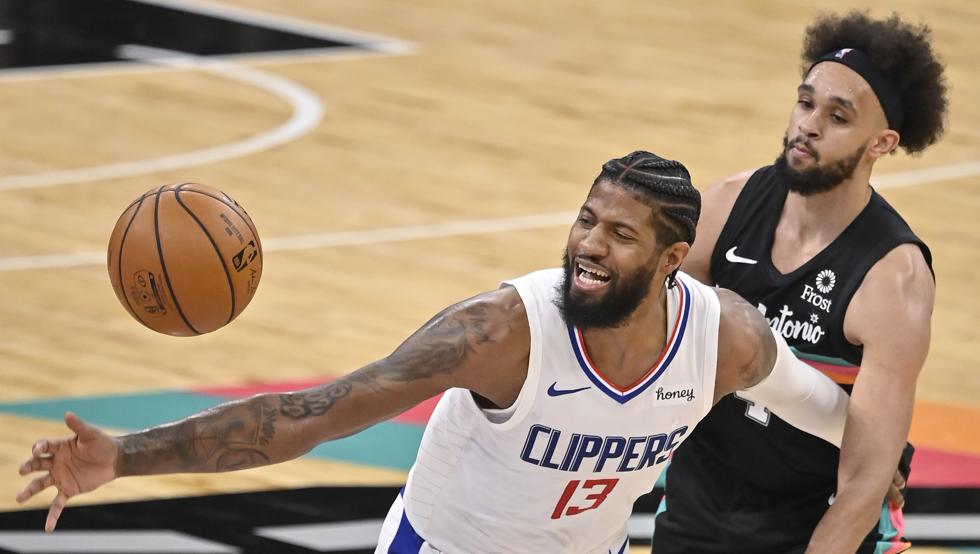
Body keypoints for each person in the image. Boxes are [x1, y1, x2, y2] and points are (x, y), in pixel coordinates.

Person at [18, 151, 850, 553]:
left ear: (672, 261)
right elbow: (308, 416)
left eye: (620, 234)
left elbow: (818, 405)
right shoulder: (500, 333)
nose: (588, 246)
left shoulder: (723, 337)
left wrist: (878, 453)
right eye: (585, 220)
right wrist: (124, 457)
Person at [651, 11, 947, 554]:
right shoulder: (725, 206)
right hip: (702, 497)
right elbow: (655, 344)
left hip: (816, 520)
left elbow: (863, 482)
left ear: (881, 143)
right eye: (806, 102)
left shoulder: (892, 278)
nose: (809, 124)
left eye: (839, 116)